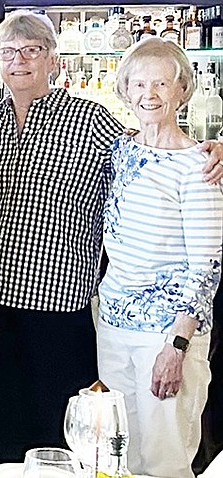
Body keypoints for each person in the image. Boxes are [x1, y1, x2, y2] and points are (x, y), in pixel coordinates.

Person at [0, 11, 223, 463]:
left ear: (53, 59)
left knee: (62, 438)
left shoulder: (89, 118)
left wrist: (214, 148)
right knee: (2, 432)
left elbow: (154, 143)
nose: (19, 61)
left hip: (58, 302)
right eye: (7, 52)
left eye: (32, 51)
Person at [97, 38, 220, 478]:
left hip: (166, 335)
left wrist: (177, 345)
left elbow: (207, 266)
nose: (149, 94)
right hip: (112, 323)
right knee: (118, 451)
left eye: (162, 84)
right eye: (139, 83)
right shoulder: (124, 148)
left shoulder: (200, 166)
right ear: (125, 91)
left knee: (165, 459)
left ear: (182, 90)